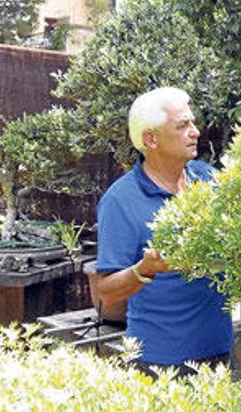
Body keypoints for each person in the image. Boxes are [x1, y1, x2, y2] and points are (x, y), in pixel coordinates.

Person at [92, 87, 232, 373]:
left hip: (219, 351)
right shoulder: (120, 201)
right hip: (158, 361)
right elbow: (106, 291)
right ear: (150, 139)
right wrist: (146, 269)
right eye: (182, 126)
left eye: (193, 123)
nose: (195, 132)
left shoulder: (208, 179)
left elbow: (221, 256)